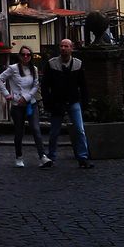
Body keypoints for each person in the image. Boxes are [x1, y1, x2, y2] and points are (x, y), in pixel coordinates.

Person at [41, 38, 94, 169]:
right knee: (54, 132)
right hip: (57, 102)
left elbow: (83, 85)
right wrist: (48, 102)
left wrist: (85, 102)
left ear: (71, 48)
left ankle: (83, 157)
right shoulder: (52, 64)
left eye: (66, 46)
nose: (63, 48)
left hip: (73, 101)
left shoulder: (78, 64)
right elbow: (45, 85)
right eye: (62, 46)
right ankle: (52, 157)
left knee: (79, 129)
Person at [0, 46, 51, 168]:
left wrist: (26, 97)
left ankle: (42, 157)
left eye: (28, 55)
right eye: (23, 54)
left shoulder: (34, 69)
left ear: (31, 56)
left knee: (36, 129)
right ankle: (19, 157)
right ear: (19, 56)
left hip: (30, 103)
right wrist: (7, 95)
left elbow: (36, 85)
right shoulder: (13, 68)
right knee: (19, 132)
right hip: (17, 105)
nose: (26, 57)